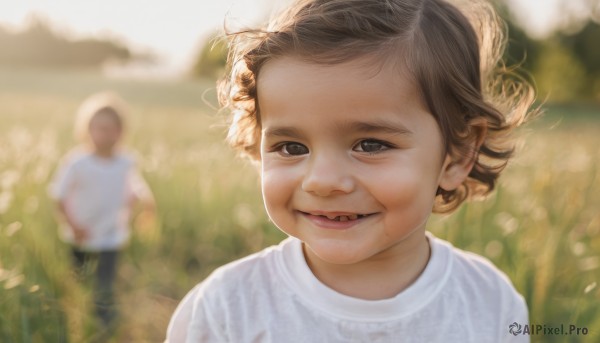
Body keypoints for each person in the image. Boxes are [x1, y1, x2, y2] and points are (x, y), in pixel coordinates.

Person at [167, 0, 537, 341]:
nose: (323, 180)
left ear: (457, 154)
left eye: (371, 145)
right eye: (291, 147)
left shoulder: (492, 304)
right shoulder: (226, 311)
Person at [50, 92, 155, 332]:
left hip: (111, 236)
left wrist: (146, 205)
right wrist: (72, 225)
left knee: (105, 281)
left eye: (110, 128)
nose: (104, 133)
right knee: (79, 279)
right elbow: (59, 196)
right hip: (81, 235)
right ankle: (72, 317)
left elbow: (134, 187)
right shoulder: (77, 162)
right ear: (86, 130)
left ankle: (103, 322)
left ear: (120, 131)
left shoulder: (126, 161)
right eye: (98, 127)